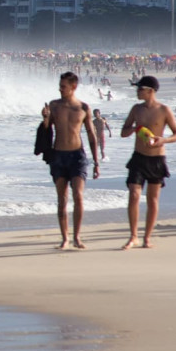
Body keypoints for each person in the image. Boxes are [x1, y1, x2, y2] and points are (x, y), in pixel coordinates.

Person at [119, 76, 176, 249]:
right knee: (134, 194)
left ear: (150, 91)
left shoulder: (164, 110)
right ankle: (133, 236)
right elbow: (123, 132)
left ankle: (147, 237)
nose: (137, 92)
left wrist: (163, 140)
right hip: (138, 157)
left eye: (140, 89)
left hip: (157, 159)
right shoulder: (136, 109)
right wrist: (134, 129)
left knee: (153, 199)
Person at [42, 72, 101, 249]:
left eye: (63, 87)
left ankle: (76, 237)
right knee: (62, 199)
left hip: (77, 156)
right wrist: (45, 118)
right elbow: (47, 130)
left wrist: (96, 162)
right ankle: (65, 238)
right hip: (58, 156)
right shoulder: (54, 105)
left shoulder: (83, 108)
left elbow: (91, 135)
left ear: (73, 87)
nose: (60, 89)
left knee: (78, 196)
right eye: (60, 86)